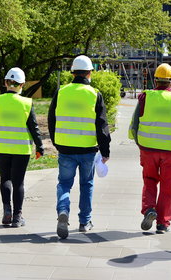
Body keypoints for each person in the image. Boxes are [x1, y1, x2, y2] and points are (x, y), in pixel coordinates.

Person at [48, 55, 111, 239]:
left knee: (64, 184)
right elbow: (102, 125)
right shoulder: (94, 94)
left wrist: (56, 142)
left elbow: (52, 120)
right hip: (88, 150)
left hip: (65, 148)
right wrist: (105, 151)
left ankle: (63, 211)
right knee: (87, 184)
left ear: (73, 73)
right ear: (90, 73)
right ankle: (84, 222)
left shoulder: (61, 92)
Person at [129, 63, 171, 234]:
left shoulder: (145, 97)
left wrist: (140, 143)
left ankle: (149, 209)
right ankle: (163, 223)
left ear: (155, 80)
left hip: (148, 150)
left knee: (149, 181)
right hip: (170, 152)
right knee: (167, 186)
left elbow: (134, 125)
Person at [0, 67, 44, 227]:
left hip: (0, 147)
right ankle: (17, 217)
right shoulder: (26, 103)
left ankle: (7, 212)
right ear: (22, 85)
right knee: (18, 182)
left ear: (6, 83)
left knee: (5, 179)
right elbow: (34, 127)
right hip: (20, 149)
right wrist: (40, 146)